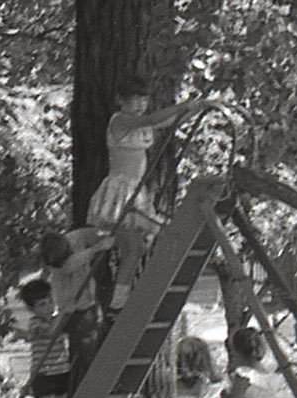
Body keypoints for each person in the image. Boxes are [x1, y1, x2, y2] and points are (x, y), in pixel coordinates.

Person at [85, 80, 228, 306]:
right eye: (134, 100)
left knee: (138, 248)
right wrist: (187, 104)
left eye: (144, 100)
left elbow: (171, 121)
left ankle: (123, 295)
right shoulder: (121, 120)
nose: (140, 104)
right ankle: (118, 300)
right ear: (121, 100)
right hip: (121, 189)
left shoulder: (140, 125)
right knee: (135, 245)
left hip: (137, 189)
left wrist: (197, 108)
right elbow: (152, 119)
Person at [39, 228, 111, 387]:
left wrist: (103, 236)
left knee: (89, 347)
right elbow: (69, 266)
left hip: (87, 305)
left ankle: (89, 384)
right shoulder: (59, 265)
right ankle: (87, 386)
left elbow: (93, 234)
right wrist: (97, 248)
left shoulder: (75, 238)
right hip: (73, 310)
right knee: (84, 351)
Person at [13, 279, 74, 398]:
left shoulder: (56, 319)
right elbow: (50, 333)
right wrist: (64, 313)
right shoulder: (35, 323)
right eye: (42, 304)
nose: (49, 306)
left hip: (61, 372)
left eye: (50, 301)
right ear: (32, 309)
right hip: (44, 376)